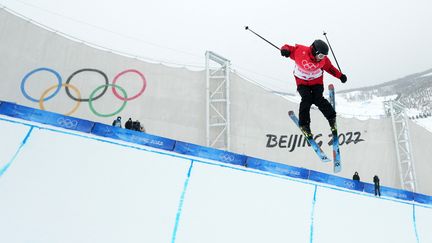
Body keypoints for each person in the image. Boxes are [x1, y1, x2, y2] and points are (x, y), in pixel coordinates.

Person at [280, 39, 347, 138]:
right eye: (320, 56)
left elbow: (330, 69)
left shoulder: (323, 61)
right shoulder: (300, 52)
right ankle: (304, 125)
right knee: (306, 100)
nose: (322, 58)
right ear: (314, 51)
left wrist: (340, 76)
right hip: (302, 82)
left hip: (316, 82)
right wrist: (285, 50)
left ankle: (332, 118)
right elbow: (288, 47)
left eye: (324, 56)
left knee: (318, 99)